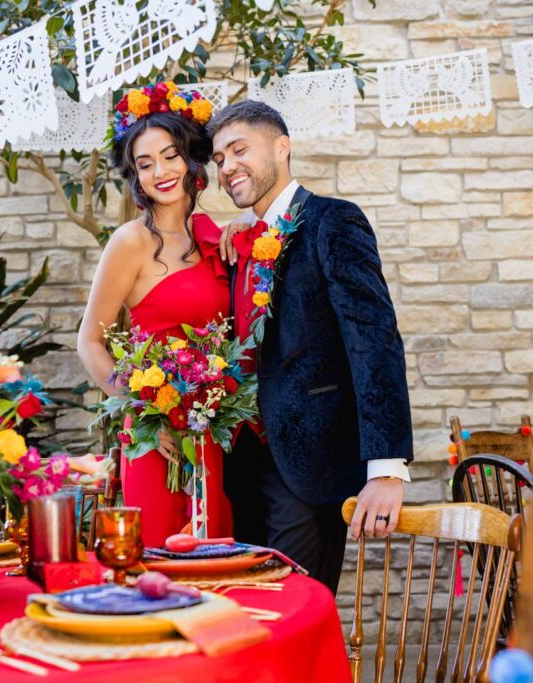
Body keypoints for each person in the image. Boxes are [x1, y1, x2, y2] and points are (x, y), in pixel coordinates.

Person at [207, 101, 413, 594]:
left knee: (293, 610)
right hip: (239, 469)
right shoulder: (240, 242)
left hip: (310, 467)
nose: (227, 166)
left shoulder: (332, 221)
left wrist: (386, 468)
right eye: (217, 159)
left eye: (239, 150)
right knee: (246, 614)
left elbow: (374, 339)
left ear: (282, 146)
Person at [77, 82, 233, 548]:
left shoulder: (219, 239)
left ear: (191, 161)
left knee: (215, 556)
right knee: (157, 557)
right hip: (154, 435)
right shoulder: (130, 242)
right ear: (136, 178)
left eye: (170, 156)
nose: (160, 172)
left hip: (214, 430)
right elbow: (89, 341)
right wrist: (144, 411)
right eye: (145, 165)